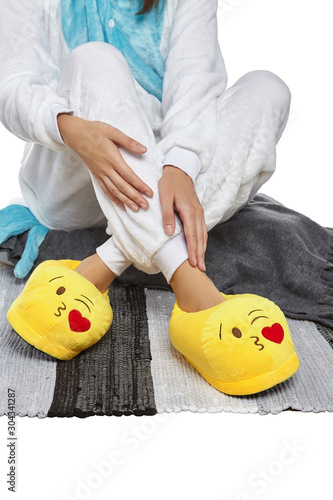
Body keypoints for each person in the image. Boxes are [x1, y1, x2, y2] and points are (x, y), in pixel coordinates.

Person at [1, 0, 299, 395]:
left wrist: (179, 165)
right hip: (71, 172)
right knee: (93, 57)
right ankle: (192, 287)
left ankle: (108, 259)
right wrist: (69, 127)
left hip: (159, 180)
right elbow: (12, 81)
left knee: (267, 88)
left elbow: (195, 85)